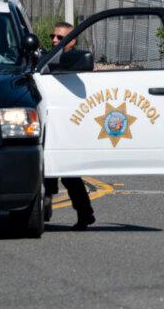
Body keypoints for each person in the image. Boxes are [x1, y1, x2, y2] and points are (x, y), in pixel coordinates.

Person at [43, 22, 96, 231]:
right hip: (48, 119)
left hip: (69, 123)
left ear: (72, 41)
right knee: (44, 167)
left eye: (60, 37)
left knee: (69, 174)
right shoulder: (44, 59)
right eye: (53, 36)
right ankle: (45, 204)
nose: (55, 40)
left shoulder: (76, 59)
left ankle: (85, 214)